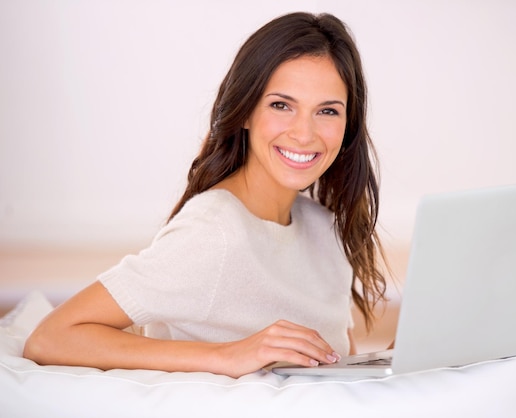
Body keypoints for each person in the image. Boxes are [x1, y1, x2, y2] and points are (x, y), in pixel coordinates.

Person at [23, 11, 388, 378]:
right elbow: (51, 337)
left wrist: (388, 364)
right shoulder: (214, 232)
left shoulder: (327, 230)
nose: (304, 133)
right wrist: (227, 356)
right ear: (246, 111)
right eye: (281, 105)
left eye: (327, 111)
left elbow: (335, 361)